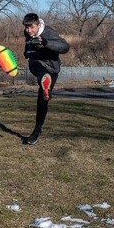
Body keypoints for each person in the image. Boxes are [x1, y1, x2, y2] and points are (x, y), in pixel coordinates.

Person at [22, 13, 70, 145]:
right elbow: (28, 47)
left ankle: (36, 132)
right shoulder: (27, 34)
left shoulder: (48, 32)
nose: (29, 31)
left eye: (32, 27)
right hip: (37, 65)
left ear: (38, 25)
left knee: (42, 100)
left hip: (51, 68)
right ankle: (45, 84)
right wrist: (26, 52)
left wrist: (46, 43)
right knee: (39, 69)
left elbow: (65, 47)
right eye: (27, 28)